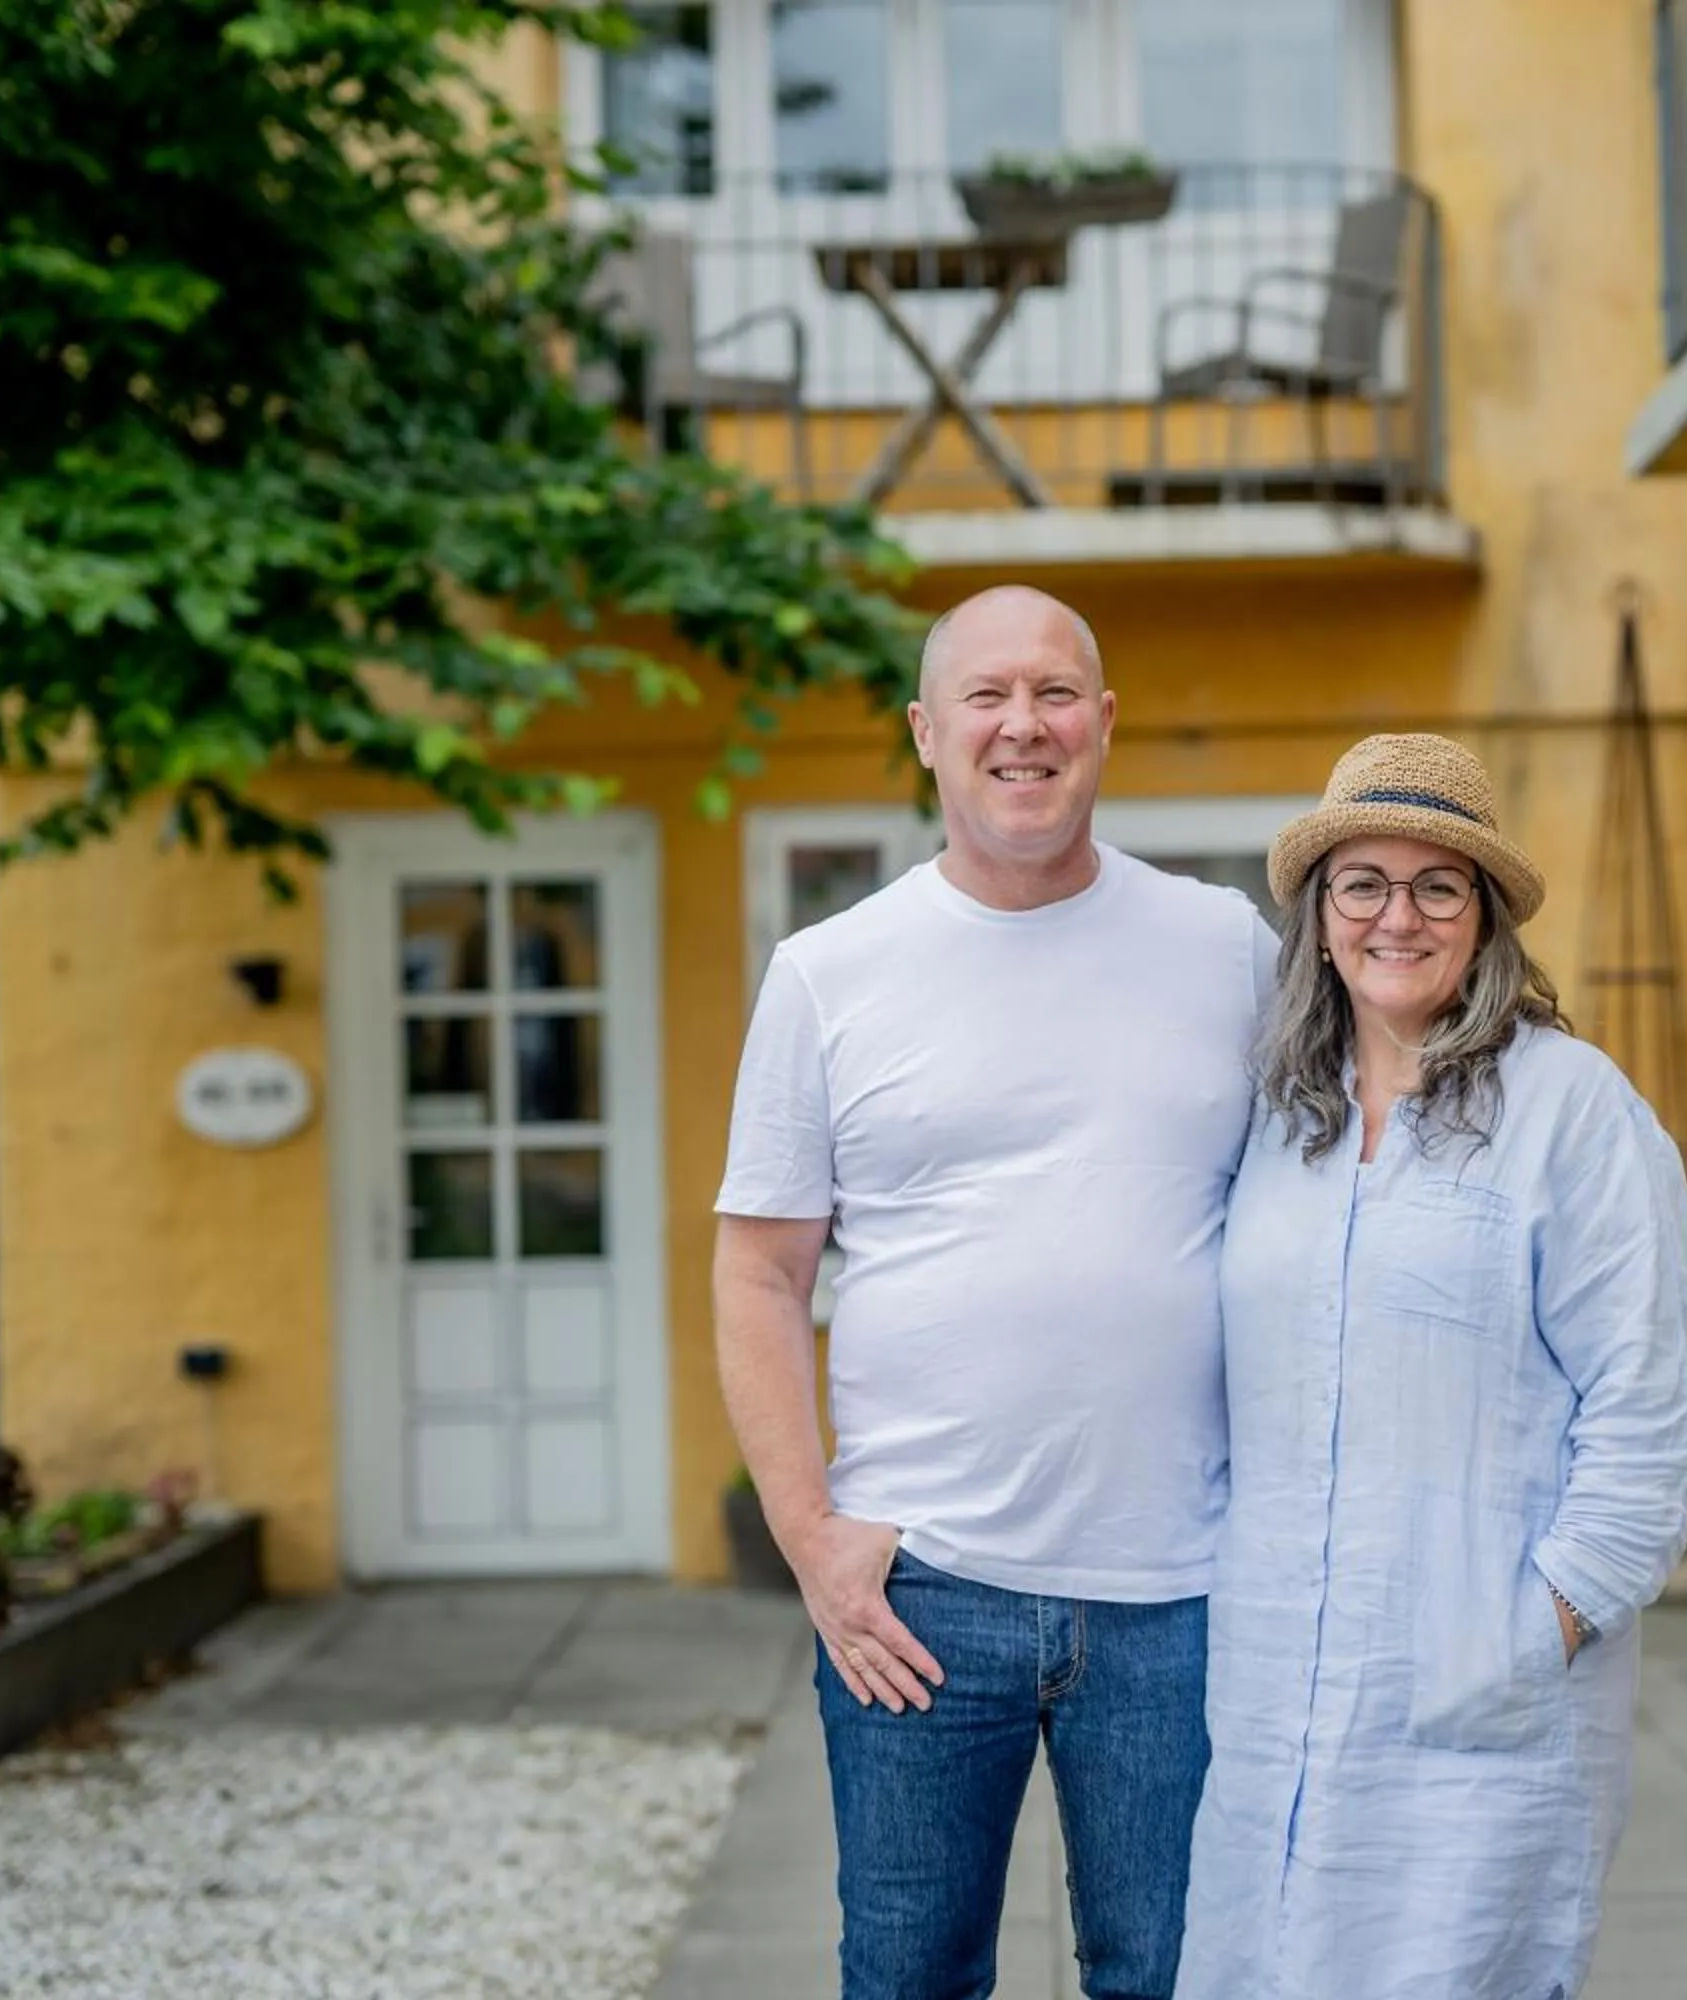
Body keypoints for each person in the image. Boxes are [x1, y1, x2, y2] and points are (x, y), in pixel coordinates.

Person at [712, 585, 1277, 2000]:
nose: (1023, 724)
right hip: (919, 1592)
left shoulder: (1227, 948)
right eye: (987, 695)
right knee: (909, 1977)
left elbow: (1329, 1201)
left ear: (1104, 721)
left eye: (1054, 692)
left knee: (1178, 1976)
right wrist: (811, 1537)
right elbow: (761, 1268)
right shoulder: (829, 974)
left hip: (1180, 1587)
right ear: (926, 731)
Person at [1174, 732, 1687, 2000]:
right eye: (1362, 882)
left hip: (1484, 1709)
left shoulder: (1571, 1110)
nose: (1397, 915)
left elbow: (1649, 1417)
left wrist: (1534, 1630)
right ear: (1319, 918)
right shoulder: (1279, 1122)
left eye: (1438, 885)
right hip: (1269, 1700)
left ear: (1485, 918)